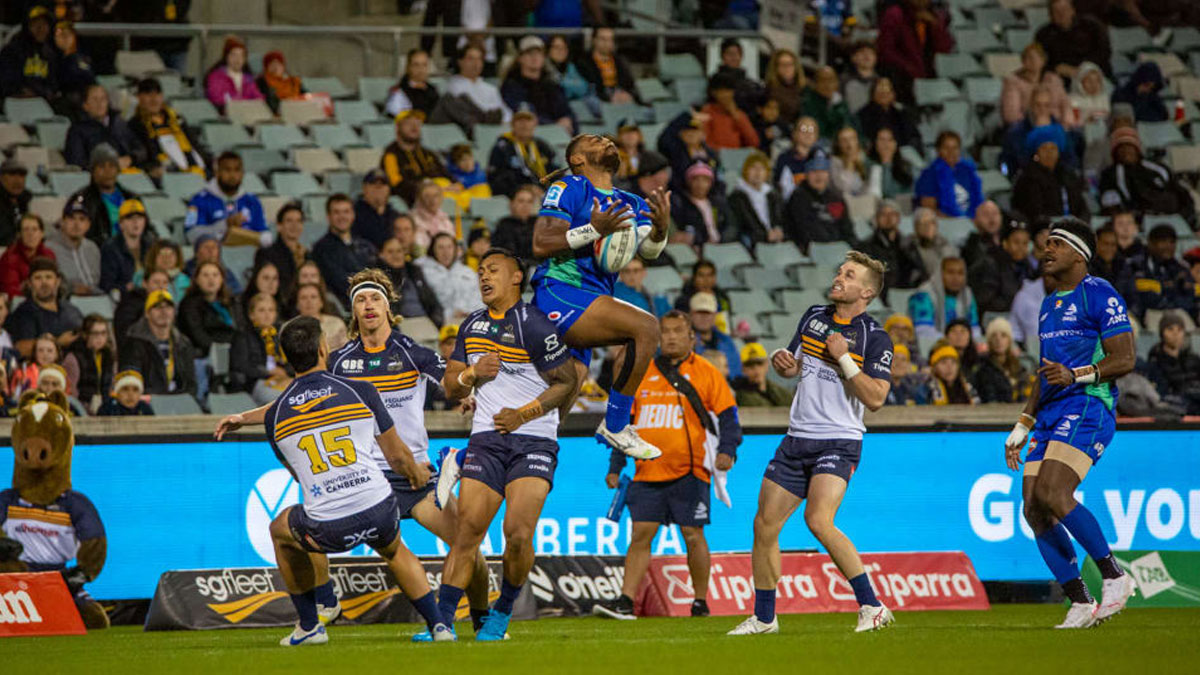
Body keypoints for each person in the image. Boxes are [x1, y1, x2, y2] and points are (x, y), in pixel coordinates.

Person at [214, 315, 452, 646]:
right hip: (381, 506)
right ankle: (440, 626)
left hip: (327, 527)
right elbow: (397, 458)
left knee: (281, 529)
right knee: (396, 551)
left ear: (286, 358)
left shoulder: (276, 415)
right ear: (324, 349)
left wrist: (242, 418)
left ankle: (312, 622)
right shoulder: (362, 390)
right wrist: (417, 475)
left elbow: (301, 475)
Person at [728, 251, 895, 635]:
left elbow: (876, 399)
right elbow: (797, 363)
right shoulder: (813, 317)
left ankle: (872, 605)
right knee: (764, 525)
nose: (839, 277)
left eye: (849, 275)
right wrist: (784, 363)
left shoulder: (875, 336)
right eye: (839, 271)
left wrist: (846, 360)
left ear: (866, 291)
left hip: (838, 440)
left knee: (818, 520)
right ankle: (765, 618)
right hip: (797, 437)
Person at [435, 247, 580, 640]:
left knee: (517, 533)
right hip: (487, 438)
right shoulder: (472, 325)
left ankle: (502, 610)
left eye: (493, 270)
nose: (484, 277)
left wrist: (525, 414)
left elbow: (569, 381)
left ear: (517, 278)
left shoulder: (534, 325)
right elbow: (449, 386)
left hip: (533, 440)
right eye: (480, 271)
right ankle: (442, 622)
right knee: (467, 532)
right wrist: (470, 374)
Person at [1002, 218, 1136, 628]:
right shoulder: (1049, 304)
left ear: (1079, 254)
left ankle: (1115, 576)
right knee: (1033, 508)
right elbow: (1046, 372)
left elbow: (1125, 358)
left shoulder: (1098, 293)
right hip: (1050, 413)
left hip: (1087, 404)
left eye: (1057, 244)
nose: (1047, 250)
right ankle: (1080, 600)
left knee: (1054, 491)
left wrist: (1078, 375)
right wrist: (1023, 424)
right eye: (1047, 244)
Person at [527, 133, 673, 461]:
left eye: (606, 138)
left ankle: (461, 459)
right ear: (577, 159)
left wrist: (661, 230)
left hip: (591, 306)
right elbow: (540, 242)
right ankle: (616, 423)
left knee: (550, 420)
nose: (606, 140)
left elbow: (647, 251)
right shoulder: (569, 188)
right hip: (560, 294)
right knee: (646, 328)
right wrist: (593, 229)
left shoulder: (631, 202)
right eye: (594, 140)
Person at [594, 310, 741, 619]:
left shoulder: (706, 371)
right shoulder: (641, 371)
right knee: (640, 536)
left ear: (692, 337)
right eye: (666, 331)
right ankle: (625, 601)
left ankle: (700, 602)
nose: (671, 336)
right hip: (647, 471)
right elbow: (624, 424)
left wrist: (728, 451)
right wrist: (614, 465)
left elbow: (729, 417)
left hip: (689, 470)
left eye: (678, 331)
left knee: (693, 535)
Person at [1099, 128, 1196, 229]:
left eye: (1129, 146)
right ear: (1115, 152)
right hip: (1140, 220)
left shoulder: (1158, 167)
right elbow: (1110, 203)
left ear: (1137, 149)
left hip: (1173, 215)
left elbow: (1181, 192)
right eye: (1121, 147)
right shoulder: (1110, 175)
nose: (1126, 151)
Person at [119, 289, 197, 396]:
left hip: (180, 402)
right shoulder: (134, 343)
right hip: (148, 402)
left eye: (168, 307)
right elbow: (132, 382)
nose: (164, 312)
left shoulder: (183, 343)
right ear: (147, 313)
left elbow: (191, 384)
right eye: (157, 307)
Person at [184, 151, 270, 247]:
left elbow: (265, 235)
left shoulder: (253, 202)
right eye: (227, 170)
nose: (232, 175)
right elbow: (190, 235)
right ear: (217, 172)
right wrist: (225, 225)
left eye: (237, 170)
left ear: (242, 173)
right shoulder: (197, 201)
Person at [875, 0, 953, 103]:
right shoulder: (895, 14)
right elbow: (885, 49)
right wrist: (908, 67)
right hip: (901, 78)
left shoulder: (934, 15)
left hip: (928, 75)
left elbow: (945, 48)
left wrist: (935, 26)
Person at [128, 77, 206, 177]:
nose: (154, 99)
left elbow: (194, 143)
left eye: (157, 94)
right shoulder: (135, 124)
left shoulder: (177, 119)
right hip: (167, 173)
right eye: (148, 94)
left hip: (196, 167)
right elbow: (142, 155)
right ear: (139, 97)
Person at [312, 194, 377, 311]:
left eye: (346, 212)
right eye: (336, 212)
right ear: (328, 217)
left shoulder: (366, 245)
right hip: (345, 308)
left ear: (353, 215)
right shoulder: (322, 249)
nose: (342, 217)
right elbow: (340, 282)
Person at [782, 153, 854, 253]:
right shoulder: (798, 197)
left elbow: (847, 228)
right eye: (814, 171)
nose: (819, 176)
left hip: (839, 249)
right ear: (806, 175)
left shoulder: (836, 198)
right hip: (814, 250)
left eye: (823, 171)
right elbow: (805, 231)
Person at [64, 84, 146, 172]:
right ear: (85, 105)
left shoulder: (118, 123)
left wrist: (130, 159)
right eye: (95, 99)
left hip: (127, 172)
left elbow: (140, 150)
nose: (100, 103)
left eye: (103, 99)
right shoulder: (77, 131)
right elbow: (77, 163)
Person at [501, 36, 574, 134]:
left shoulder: (552, 86)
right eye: (529, 53)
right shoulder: (511, 87)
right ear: (520, 58)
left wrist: (567, 120)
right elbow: (523, 114)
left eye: (539, 53)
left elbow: (566, 111)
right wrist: (555, 126)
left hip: (558, 135)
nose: (535, 57)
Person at [1012, 136, 1090, 227]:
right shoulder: (1028, 178)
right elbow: (1032, 210)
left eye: (1053, 148)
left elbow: (1081, 204)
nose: (1049, 153)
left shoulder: (1068, 175)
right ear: (1036, 153)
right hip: (1043, 227)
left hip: (1072, 225)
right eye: (1044, 148)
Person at [69, 144, 137, 247]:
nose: (107, 171)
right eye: (101, 166)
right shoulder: (83, 199)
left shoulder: (131, 198)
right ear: (92, 171)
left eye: (112, 166)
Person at [229, 293, 292, 404]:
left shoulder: (280, 335)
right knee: (288, 399)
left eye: (271, 310)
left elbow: (293, 362)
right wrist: (268, 372)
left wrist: (284, 371)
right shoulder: (243, 335)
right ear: (251, 315)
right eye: (261, 310)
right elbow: (241, 366)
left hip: (282, 379)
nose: (267, 314)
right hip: (256, 383)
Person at [1001, 86, 1077, 176]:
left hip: (1056, 179)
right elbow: (1014, 162)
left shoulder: (1060, 131)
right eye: (1038, 105)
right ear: (1031, 106)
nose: (1042, 109)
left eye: (1046, 105)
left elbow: (1070, 160)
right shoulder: (1015, 133)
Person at [855, 199, 926, 294]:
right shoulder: (866, 246)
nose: (888, 218)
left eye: (893, 214)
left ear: (898, 218)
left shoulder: (909, 244)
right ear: (876, 219)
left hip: (909, 292)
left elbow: (920, 269)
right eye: (883, 215)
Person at [1129, 225, 1195, 328]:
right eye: (1163, 241)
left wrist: (1173, 305)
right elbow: (1138, 298)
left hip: (1178, 312)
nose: (1168, 246)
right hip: (1151, 313)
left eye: (1172, 242)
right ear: (1151, 243)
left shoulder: (1181, 269)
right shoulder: (1137, 266)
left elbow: (1190, 296)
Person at [381, 110, 450, 207]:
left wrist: (456, 185)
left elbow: (447, 175)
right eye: (409, 123)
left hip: (443, 193)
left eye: (418, 123)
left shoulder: (428, 153)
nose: (414, 127)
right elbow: (397, 184)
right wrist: (426, 188)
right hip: (416, 201)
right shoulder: (391, 155)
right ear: (398, 128)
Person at [488, 111, 559, 198]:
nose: (524, 125)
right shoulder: (503, 147)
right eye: (520, 121)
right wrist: (523, 188)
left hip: (544, 193)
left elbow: (556, 172)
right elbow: (495, 178)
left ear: (534, 125)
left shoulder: (542, 146)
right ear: (513, 125)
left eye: (528, 120)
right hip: (514, 195)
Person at [1035, 0, 1113, 80]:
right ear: (1050, 15)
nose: (1061, 14)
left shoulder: (1092, 25)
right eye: (1056, 11)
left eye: (1064, 9)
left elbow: (1104, 52)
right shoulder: (1043, 35)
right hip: (1062, 80)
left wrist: (1081, 69)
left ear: (1072, 10)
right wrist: (1055, 68)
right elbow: (1039, 60)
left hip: (1095, 75)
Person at [1000, 43, 1072, 128]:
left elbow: (1065, 103)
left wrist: (1066, 122)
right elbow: (1011, 114)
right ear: (1023, 61)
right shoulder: (1013, 82)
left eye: (1037, 57)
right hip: (1026, 125)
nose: (1034, 61)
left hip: (1056, 124)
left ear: (1043, 61)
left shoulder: (1053, 79)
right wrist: (1035, 123)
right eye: (1029, 57)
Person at [969, 222, 1035, 314]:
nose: (1021, 247)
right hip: (995, 316)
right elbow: (986, 301)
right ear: (1005, 243)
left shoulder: (1028, 266)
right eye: (1016, 242)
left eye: (1025, 243)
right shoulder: (991, 264)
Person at [376, 237, 443, 327]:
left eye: (399, 251)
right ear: (381, 255)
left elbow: (433, 302)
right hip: (401, 324)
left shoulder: (414, 272)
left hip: (425, 322)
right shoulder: (378, 278)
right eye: (390, 252)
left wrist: (437, 322)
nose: (396, 255)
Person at [915, 131, 984, 218]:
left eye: (955, 148)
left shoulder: (968, 171)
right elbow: (929, 209)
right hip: (945, 223)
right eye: (946, 148)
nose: (951, 152)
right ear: (938, 150)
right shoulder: (929, 175)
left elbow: (978, 202)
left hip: (972, 220)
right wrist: (955, 221)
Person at [416, 233, 482, 323]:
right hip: (439, 322)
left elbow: (479, 298)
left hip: (471, 320)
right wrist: (450, 313)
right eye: (440, 247)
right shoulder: (423, 272)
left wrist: (470, 312)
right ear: (433, 250)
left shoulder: (467, 272)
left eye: (449, 247)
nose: (446, 252)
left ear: (455, 249)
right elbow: (427, 303)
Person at [909, 256, 980, 341]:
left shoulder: (967, 294)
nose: (955, 278)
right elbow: (923, 331)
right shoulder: (924, 294)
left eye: (960, 273)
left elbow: (974, 328)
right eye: (950, 272)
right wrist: (952, 342)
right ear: (940, 274)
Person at [1143, 313, 1200, 414]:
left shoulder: (1194, 360)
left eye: (1180, 330)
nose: (1176, 334)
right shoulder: (1154, 364)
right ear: (1162, 333)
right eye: (1170, 329)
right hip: (1173, 412)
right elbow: (1159, 395)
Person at [45, 198, 101, 298]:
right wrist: (70, 289)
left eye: (82, 219)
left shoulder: (92, 248)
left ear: (88, 225)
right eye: (71, 218)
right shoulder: (49, 248)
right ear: (62, 222)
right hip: (65, 300)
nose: (76, 224)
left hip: (96, 299)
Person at [671, 162, 736, 247]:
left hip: (722, 245)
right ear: (688, 182)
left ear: (711, 183)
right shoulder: (682, 204)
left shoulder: (718, 203)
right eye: (696, 179)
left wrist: (722, 240)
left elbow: (731, 225)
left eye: (705, 180)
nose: (700, 184)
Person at [444, 45, 511, 125]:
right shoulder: (454, 86)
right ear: (460, 61)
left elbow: (506, 112)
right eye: (471, 59)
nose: (476, 63)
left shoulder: (490, 88)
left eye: (479, 59)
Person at [728, 152, 785, 247]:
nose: (758, 172)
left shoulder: (772, 194)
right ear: (745, 171)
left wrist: (779, 230)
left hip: (775, 241)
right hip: (754, 243)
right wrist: (765, 235)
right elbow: (744, 225)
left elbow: (781, 218)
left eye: (762, 168)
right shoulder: (737, 196)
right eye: (753, 167)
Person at [660, 111, 723, 195]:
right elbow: (665, 136)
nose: (691, 134)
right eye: (687, 131)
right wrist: (687, 115)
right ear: (680, 135)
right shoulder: (675, 151)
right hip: (683, 195)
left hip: (709, 195)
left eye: (695, 131)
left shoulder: (711, 154)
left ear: (702, 134)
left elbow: (718, 179)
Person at [99, 199, 155, 294]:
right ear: (121, 224)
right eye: (130, 218)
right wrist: (126, 288)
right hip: (125, 299)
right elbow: (106, 285)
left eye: (140, 218)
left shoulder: (151, 245)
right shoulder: (110, 248)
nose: (136, 222)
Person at [0, 7, 56, 100]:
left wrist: (45, 93)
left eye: (44, 24)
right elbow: (6, 82)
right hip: (14, 102)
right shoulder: (12, 50)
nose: (40, 29)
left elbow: (53, 85)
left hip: (42, 104)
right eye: (35, 24)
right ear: (27, 27)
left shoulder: (50, 54)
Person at [62, 314, 114, 413]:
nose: (100, 338)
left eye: (103, 333)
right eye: (95, 333)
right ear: (85, 335)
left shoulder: (108, 357)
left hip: (104, 408)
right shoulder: (73, 358)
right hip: (81, 409)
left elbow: (110, 386)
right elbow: (71, 390)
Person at [256, 202, 309, 300]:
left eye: (299, 221)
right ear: (279, 226)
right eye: (289, 221)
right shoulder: (266, 254)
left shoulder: (307, 254)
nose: (294, 225)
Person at [973, 317, 1031, 404]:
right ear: (989, 341)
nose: (998, 340)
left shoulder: (1019, 368)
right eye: (994, 336)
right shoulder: (982, 370)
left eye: (1003, 335)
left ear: (1009, 341)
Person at [575, 27, 639, 104]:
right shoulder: (584, 62)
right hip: (598, 97)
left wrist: (627, 94)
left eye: (610, 39)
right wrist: (608, 98)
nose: (607, 43)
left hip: (619, 94)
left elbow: (629, 84)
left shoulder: (619, 61)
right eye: (603, 39)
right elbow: (588, 88)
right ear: (594, 40)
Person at [857, 77, 921, 151]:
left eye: (887, 93)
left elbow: (913, 136)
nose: (884, 96)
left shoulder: (901, 113)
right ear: (873, 94)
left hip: (902, 153)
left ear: (893, 95)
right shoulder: (863, 115)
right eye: (881, 94)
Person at [0, 214, 56, 298]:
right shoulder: (9, 257)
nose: (30, 234)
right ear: (19, 234)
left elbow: (55, 284)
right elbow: (11, 292)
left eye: (35, 229)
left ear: (42, 234)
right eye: (26, 230)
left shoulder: (49, 255)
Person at [204, 35, 263, 112]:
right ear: (226, 57)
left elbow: (258, 99)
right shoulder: (216, 77)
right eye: (233, 55)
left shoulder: (248, 79)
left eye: (241, 56)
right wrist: (242, 103)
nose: (237, 59)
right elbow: (216, 98)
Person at [701, 73, 760, 150]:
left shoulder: (738, 114)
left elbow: (754, 142)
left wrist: (736, 115)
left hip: (738, 156)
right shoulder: (707, 112)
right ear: (713, 92)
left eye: (728, 90)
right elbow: (705, 143)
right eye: (722, 91)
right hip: (715, 157)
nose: (726, 95)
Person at [689, 292, 741, 378]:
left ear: (715, 315)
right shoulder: (684, 342)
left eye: (707, 313)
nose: (703, 317)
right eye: (699, 313)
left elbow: (736, 374)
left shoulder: (727, 342)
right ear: (691, 314)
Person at [52, 20, 97, 118]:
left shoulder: (80, 59)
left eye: (67, 35)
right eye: (59, 35)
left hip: (80, 104)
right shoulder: (53, 58)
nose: (63, 39)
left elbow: (89, 81)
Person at [801, 67, 857, 143]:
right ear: (815, 84)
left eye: (831, 80)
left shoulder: (842, 104)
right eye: (823, 81)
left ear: (837, 83)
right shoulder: (807, 104)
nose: (828, 85)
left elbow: (851, 126)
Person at [351, 170, 400, 251]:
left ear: (389, 189)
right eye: (373, 184)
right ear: (364, 188)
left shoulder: (395, 215)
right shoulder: (353, 214)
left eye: (383, 184)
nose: (379, 188)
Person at [732, 342, 792, 407]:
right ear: (743, 369)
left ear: (767, 364)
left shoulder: (783, 394)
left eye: (759, 363)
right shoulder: (738, 396)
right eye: (750, 365)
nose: (756, 369)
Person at [712, 38, 764, 113]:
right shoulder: (716, 81)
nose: (734, 57)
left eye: (737, 54)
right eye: (729, 54)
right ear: (722, 56)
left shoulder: (752, 84)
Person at [385, 48, 440, 117]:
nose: (421, 69)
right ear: (408, 67)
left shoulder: (432, 89)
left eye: (424, 65)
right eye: (416, 65)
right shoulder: (399, 91)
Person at [492, 184, 541, 260]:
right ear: (512, 204)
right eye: (521, 201)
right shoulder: (504, 225)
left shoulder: (538, 222)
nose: (525, 206)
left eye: (529, 202)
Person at [912, 207, 960, 280]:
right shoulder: (909, 248)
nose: (928, 227)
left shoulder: (947, 246)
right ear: (916, 227)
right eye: (923, 223)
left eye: (931, 222)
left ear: (936, 226)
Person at [764, 49, 805, 127]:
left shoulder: (804, 87)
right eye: (782, 65)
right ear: (776, 68)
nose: (787, 68)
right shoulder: (771, 90)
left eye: (790, 64)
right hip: (782, 129)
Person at [545, 35, 590, 103]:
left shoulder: (570, 66)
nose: (560, 51)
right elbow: (557, 90)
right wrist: (572, 85)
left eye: (564, 48)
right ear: (548, 50)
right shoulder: (543, 67)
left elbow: (583, 88)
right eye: (556, 47)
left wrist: (563, 83)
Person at [961, 200, 1004, 269]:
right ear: (974, 220)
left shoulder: (1008, 241)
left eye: (995, 213)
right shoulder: (971, 247)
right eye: (986, 214)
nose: (991, 218)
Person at [830, 126, 870, 198]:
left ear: (857, 140)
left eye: (852, 138)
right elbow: (841, 189)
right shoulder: (834, 162)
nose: (849, 143)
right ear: (838, 144)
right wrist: (849, 165)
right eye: (844, 140)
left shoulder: (866, 160)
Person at [0, 158, 31, 248]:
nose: (18, 181)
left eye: (22, 175)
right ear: (1, 177)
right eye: (12, 174)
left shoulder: (25, 200)